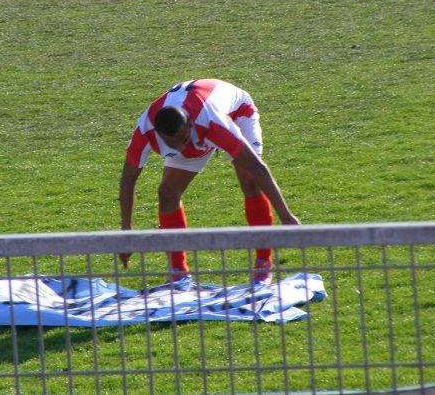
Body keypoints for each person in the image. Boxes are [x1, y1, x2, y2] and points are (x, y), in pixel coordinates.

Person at [119, 79, 300, 284]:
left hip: (235, 113)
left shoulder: (213, 122)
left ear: (189, 125)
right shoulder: (145, 129)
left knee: (249, 181)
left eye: (183, 141)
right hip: (197, 127)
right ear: (158, 133)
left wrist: (286, 216)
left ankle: (263, 263)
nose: (181, 150)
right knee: (167, 192)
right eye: (172, 145)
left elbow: (258, 168)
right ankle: (178, 272)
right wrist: (126, 232)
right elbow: (128, 179)